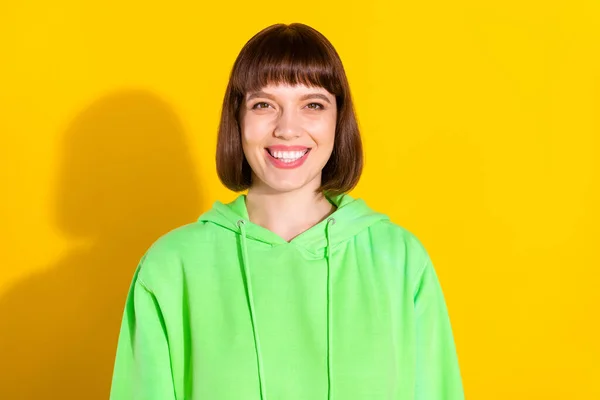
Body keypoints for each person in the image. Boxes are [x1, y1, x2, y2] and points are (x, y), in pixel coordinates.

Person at [109, 22, 464, 400]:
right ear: (238, 119)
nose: (287, 128)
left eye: (312, 104)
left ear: (337, 120)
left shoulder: (400, 260)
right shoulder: (170, 267)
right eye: (264, 105)